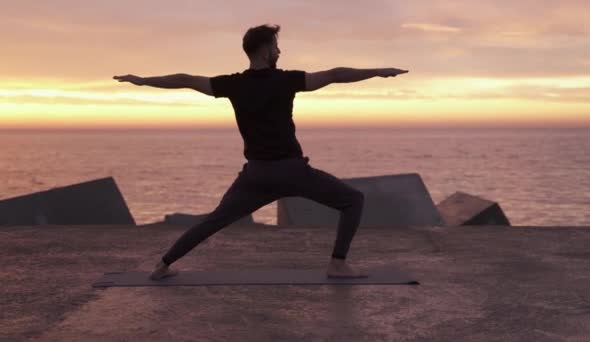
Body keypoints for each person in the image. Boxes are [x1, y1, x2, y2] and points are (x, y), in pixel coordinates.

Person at [113, 24, 408, 280]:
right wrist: (377, 72)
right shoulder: (288, 80)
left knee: (213, 221)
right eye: (277, 46)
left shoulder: (232, 84)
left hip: (255, 176)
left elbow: (184, 79)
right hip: (292, 172)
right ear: (266, 50)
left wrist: (143, 80)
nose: (280, 52)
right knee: (353, 200)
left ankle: (162, 265)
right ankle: (338, 265)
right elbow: (334, 74)